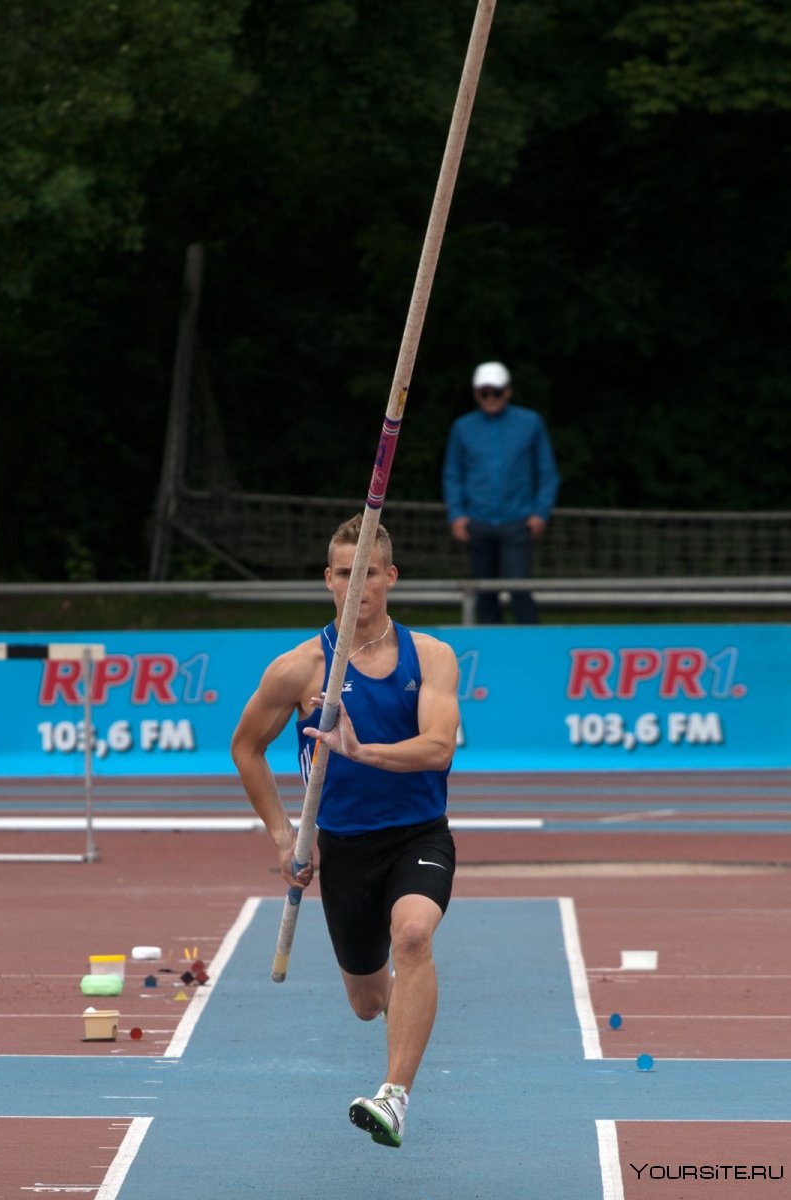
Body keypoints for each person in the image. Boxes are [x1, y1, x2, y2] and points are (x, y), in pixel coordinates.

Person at [230, 514, 460, 1149]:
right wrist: (283, 836)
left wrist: (362, 752)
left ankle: (394, 1096)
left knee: (413, 935)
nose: (356, 585)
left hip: (419, 835)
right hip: (344, 848)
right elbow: (246, 748)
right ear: (328, 579)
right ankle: (408, 1012)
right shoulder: (300, 668)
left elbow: (439, 748)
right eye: (343, 573)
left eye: (368, 573)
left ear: (389, 577)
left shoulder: (432, 656)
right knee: (366, 1002)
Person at [442, 360, 560, 624]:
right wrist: (457, 515)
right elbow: (453, 474)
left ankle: (531, 648)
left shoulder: (530, 423)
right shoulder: (463, 428)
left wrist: (540, 513)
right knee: (484, 593)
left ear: (507, 391)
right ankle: (489, 652)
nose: (491, 398)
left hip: (518, 521)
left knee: (519, 588)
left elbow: (547, 472)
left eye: (496, 392)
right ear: (476, 394)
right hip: (478, 521)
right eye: (485, 393)